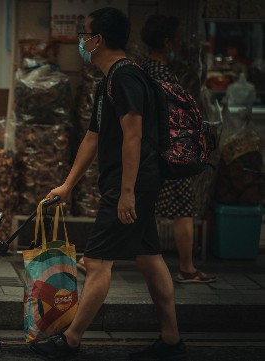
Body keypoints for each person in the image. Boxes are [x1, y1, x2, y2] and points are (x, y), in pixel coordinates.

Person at [29, 7, 188, 361]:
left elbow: (133, 135)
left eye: (85, 35)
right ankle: (172, 339)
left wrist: (127, 192)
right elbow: (92, 138)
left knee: (97, 261)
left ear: (97, 40)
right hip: (130, 182)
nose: (81, 42)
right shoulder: (109, 80)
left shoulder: (126, 77)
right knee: (149, 257)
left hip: (129, 184)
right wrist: (68, 185)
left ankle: (71, 340)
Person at [141, 14, 216, 284]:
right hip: (170, 152)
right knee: (183, 207)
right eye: (179, 39)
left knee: (137, 205)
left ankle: (92, 257)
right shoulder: (162, 75)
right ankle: (186, 268)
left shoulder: (144, 70)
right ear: (167, 42)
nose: (182, 44)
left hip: (152, 151)